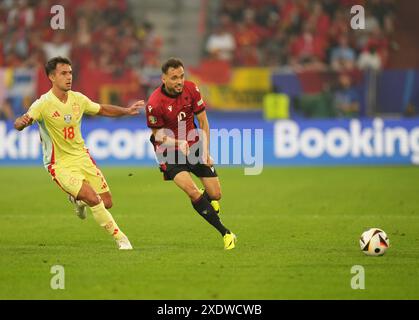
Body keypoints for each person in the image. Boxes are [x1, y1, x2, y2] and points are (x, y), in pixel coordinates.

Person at [13, 56, 144, 250]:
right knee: (93, 198)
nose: (69, 77)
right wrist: (20, 123)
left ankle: (76, 199)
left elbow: (101, 109)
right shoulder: (43, 104)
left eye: (70, 73)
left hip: (82, 157)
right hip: (59, 164)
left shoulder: (78, 99)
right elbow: (21, 120)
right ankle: (121, 239)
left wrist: (126, 110)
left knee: (106, 203)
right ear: (51, 77)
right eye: (63, 73)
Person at [145, 57, 237, 250]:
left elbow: (203, 122)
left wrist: (205, 151)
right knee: (192, 191)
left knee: (216, 194)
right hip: (169, 153)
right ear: (163, 79)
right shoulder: (154, 103)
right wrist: (178, 143)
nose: (179, 81)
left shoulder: (191, 89)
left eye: (181, 76)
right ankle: (226, 233)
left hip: (194, 146)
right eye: (174, 78)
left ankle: (207, 198)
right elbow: (158, 135)